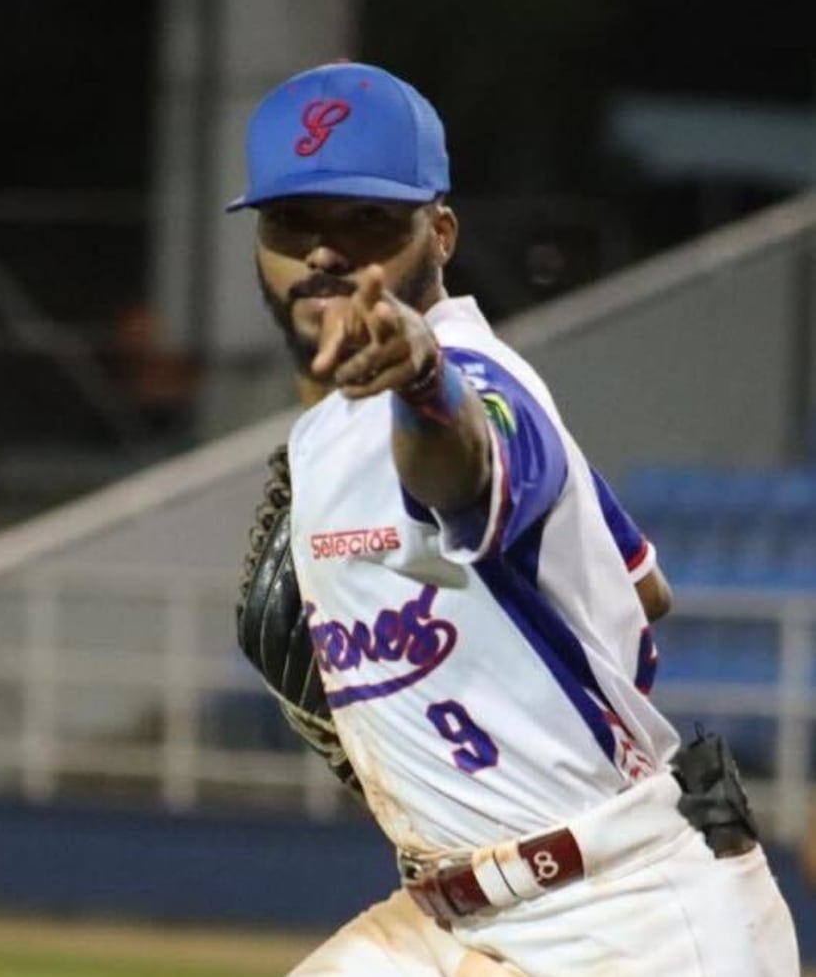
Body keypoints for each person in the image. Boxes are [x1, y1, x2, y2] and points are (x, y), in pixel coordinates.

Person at [227, 61, 800, 975]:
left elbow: (465, 461)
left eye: (367, 219)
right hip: (451, 914)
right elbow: (642, 587)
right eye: (293, 222)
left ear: (441, 233)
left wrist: (425, 385)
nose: (325, 252)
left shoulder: (474, 381)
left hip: (622, 919)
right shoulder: (322, 437)